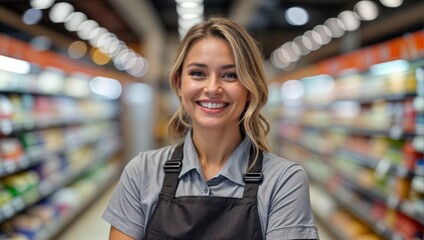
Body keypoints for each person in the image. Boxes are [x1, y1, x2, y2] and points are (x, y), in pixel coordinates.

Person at [102, 17, 319, 240]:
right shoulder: (142, 172)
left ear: (249, 88)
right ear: (179, 84)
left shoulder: (283, 182)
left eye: (230, 75)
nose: (212, 88)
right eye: (198, 73)